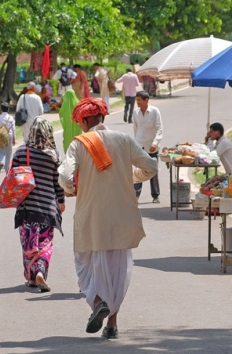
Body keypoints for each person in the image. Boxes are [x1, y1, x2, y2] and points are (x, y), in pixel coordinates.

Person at [58, 98, 158, 339]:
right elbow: (150, 167)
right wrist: (128, 176)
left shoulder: (79, 144)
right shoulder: (123, 139)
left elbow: (64, 176)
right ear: (102, 117)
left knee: (86, 266)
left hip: (91, 219)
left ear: (84, 121)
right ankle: (112, 323)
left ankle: (99, 302)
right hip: (122, 218)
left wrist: (72, 189)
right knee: (118, 271)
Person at [12, 118, 65, 293]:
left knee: (28, 242)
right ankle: (40, 271)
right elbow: (58, 184)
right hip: (48, 208)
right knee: (45, 243)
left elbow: (12, 177)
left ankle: (32, 278)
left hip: (27, 208)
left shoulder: (21, 152)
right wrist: (61, 201)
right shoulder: (53, 155)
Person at [133, 91, 163, 203]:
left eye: (139, 100)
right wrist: (135, 143)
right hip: (140, 146)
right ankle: (135, 195)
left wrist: (155, 142)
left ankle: (155, 195)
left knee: (153, 171)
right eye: (137, 100)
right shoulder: (136, 113)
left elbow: (160, 128)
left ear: (146, 100)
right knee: (137, 171)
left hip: (152, 146)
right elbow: (136, 128)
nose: (138, 102)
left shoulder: (155, 111)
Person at [0, 102, 16, 173]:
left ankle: (1, 162)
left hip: (1, 135)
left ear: (1, 109)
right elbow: (13, 128)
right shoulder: (11, 117)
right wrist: (14, 138)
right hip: (9, 135)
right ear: (8, 109)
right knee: (9, 151)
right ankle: (7, 167)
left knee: (2, 149)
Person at [58, 89, 82, 154]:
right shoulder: (78, 104)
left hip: (68, 129)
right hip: (77, 127)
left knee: (68, 143)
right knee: (78, 142)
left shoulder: (65, 105)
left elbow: (60, 114)